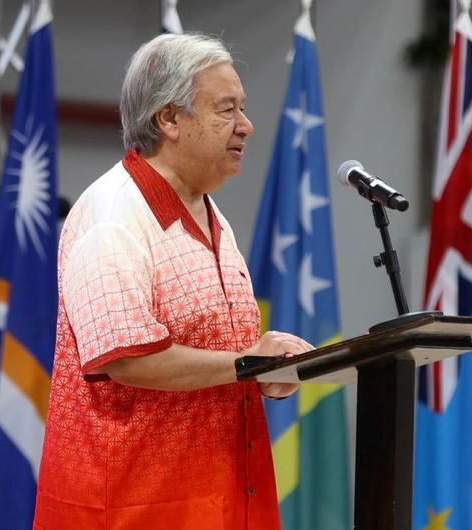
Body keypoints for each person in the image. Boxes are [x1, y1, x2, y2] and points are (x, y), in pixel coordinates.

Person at [33, 33, 309, 529]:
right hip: (132, 508)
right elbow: (127, 359)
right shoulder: (113, 215)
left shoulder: (210, 212)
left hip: (221, 499)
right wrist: (249, 363)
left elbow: (222, 353)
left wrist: (269, 370)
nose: (246, 126)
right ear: (169, 119)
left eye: (241, 109)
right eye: (226, 110)